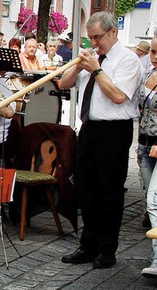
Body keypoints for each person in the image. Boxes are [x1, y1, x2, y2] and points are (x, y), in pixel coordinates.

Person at [59, 12, 141, 269]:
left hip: (115, 131)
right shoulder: (92, 59)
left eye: (98, 37)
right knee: (85, 187)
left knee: (109, 190)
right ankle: (88, 244)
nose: (94, 43)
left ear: (113, 33)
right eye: (90, 37)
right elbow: (63, 83)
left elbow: (118, 96)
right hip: (90, 128)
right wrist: (77, 65)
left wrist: (97, 70)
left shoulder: (128, 60)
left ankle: (107, 249)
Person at [138, 35, 157, 278]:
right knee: (150, 201)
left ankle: (156, 259)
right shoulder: (147, 75)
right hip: (145, 144)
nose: (154, 57)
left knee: (154, 200)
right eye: (153, 51)